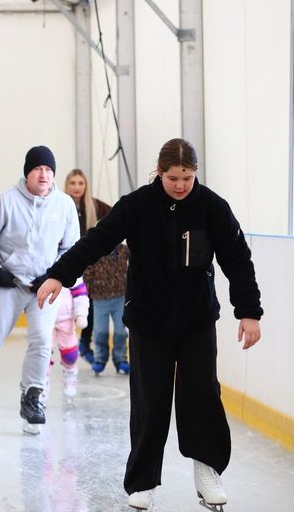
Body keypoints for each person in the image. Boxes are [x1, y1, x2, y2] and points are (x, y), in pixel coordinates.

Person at [36, 138, 263, 511]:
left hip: (196, 320)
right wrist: (59, 275)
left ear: (195, 173)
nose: (180, 185)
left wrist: (249, 311)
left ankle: (207, 472)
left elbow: (237, 260)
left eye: (187, 178)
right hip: (148, 320)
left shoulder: (212, 207)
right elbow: (96, 242)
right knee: (149, 401)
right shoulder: (137, 205)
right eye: (173, 178)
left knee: (202, 396)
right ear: (159, 172)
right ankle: (142, 483)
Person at [0, 145, 79, 435]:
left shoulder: (64, 205)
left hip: (44, 288)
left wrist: (54, 274)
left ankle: (32, 400)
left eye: (48, 169)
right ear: (27, 173)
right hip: (7, 284)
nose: (43, 174)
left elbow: (71, 247)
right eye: (37, 169)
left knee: (42, 343)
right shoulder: (6, 201)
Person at [65, 168, 111, 364]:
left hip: (88, 263)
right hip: (67, 261)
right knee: (67, 305)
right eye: (73, 183)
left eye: (81, 183)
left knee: (89, 303)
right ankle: (68, 342)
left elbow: (117, 217)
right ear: (67, 185)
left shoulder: (94, 205)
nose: (77, 187)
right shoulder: (60, 203)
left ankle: (84, 341)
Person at [82, 243, 130, 375]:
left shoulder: (123, 250)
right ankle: (100, 359)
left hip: (120, 297)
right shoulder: (95, 250)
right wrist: (86, 292)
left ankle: (120, 359)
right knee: (100, 331)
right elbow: (87, 272)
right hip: (100, 299)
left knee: (121, 331)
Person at [48, 277, 89, 397]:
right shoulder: (40, 267)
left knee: (70, 354)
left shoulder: (68, 270)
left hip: (66, 319)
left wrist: (81, 314)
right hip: (44, 318)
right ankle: (40, 383)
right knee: (42, 354)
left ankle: (70, 374)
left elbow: (80, 292)